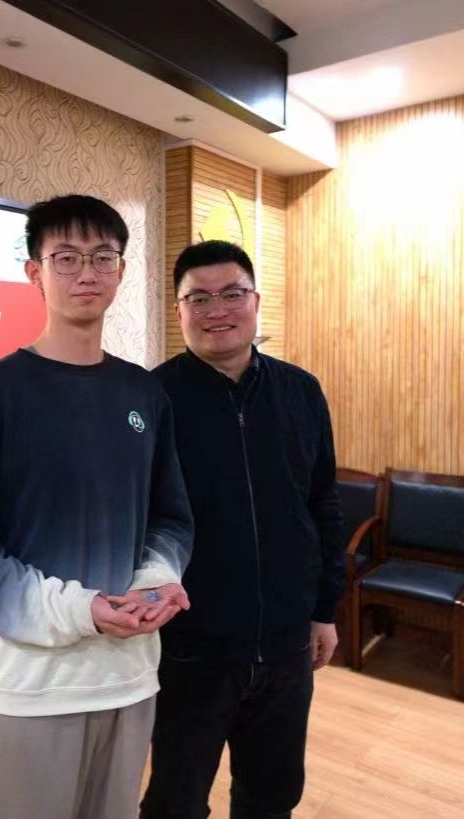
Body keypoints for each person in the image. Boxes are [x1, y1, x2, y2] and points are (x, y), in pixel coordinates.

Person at [0, 194, 194, 819]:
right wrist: (82, 609)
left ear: (121, 270)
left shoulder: (143, 393)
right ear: (35, 272)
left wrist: (157, 582)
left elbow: (170, 518)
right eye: (67, 257)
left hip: (130, 675)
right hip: (33, 684)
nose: (87, 273)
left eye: (103, 257)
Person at [141, 240, 342, 819]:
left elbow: (323, 504)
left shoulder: (300, 390)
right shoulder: (152, 398)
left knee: (271, 798)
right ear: (179, 310)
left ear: (256, 300)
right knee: (175, 802)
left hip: (285, 644)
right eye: (198, 298)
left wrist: (324, 610)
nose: (217, 310)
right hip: (189, 649)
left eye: (232, 294)